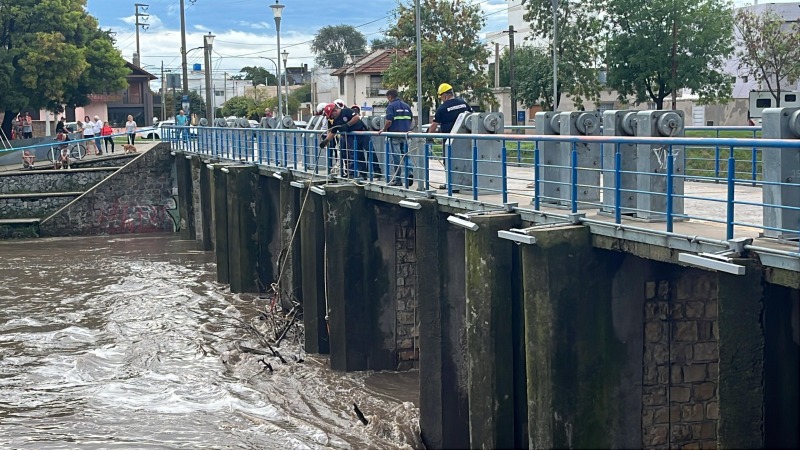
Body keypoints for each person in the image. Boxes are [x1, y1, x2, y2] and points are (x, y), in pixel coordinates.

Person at [427, 83, 472, 192]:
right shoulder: (464, 104)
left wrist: (427, 136)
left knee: (449, 161)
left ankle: (451, 183)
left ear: (445, 95)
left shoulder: (442, 108)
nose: (441, 100)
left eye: (441, 97)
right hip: (466, 139)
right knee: (467, 160)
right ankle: (468, 183)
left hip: (449, 139)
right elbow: (471, 118)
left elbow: (434, 125)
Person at [320, 103, 381, 180]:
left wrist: (347, 125)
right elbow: (333, 132)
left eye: (332, 115)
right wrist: (326, 141)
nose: (332, 117)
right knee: (358, 155)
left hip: (362, 133)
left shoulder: (346, 111)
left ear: (335, 110)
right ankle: (363, 174)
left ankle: (377, 171)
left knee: (370, 151)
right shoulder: (335, 121)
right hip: (352, 138)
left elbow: (356, 118)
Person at [378, 89, 414, 186]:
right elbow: (411, 119)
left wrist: (384, 129)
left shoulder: (391, 106)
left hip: (394, 135)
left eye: (387, 98)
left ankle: (398, 180)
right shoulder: (406, 106)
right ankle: (410, 173)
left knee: (396, 157)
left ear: (390, 97)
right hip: (406, 134)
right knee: (406, 155)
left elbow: (389, 121)